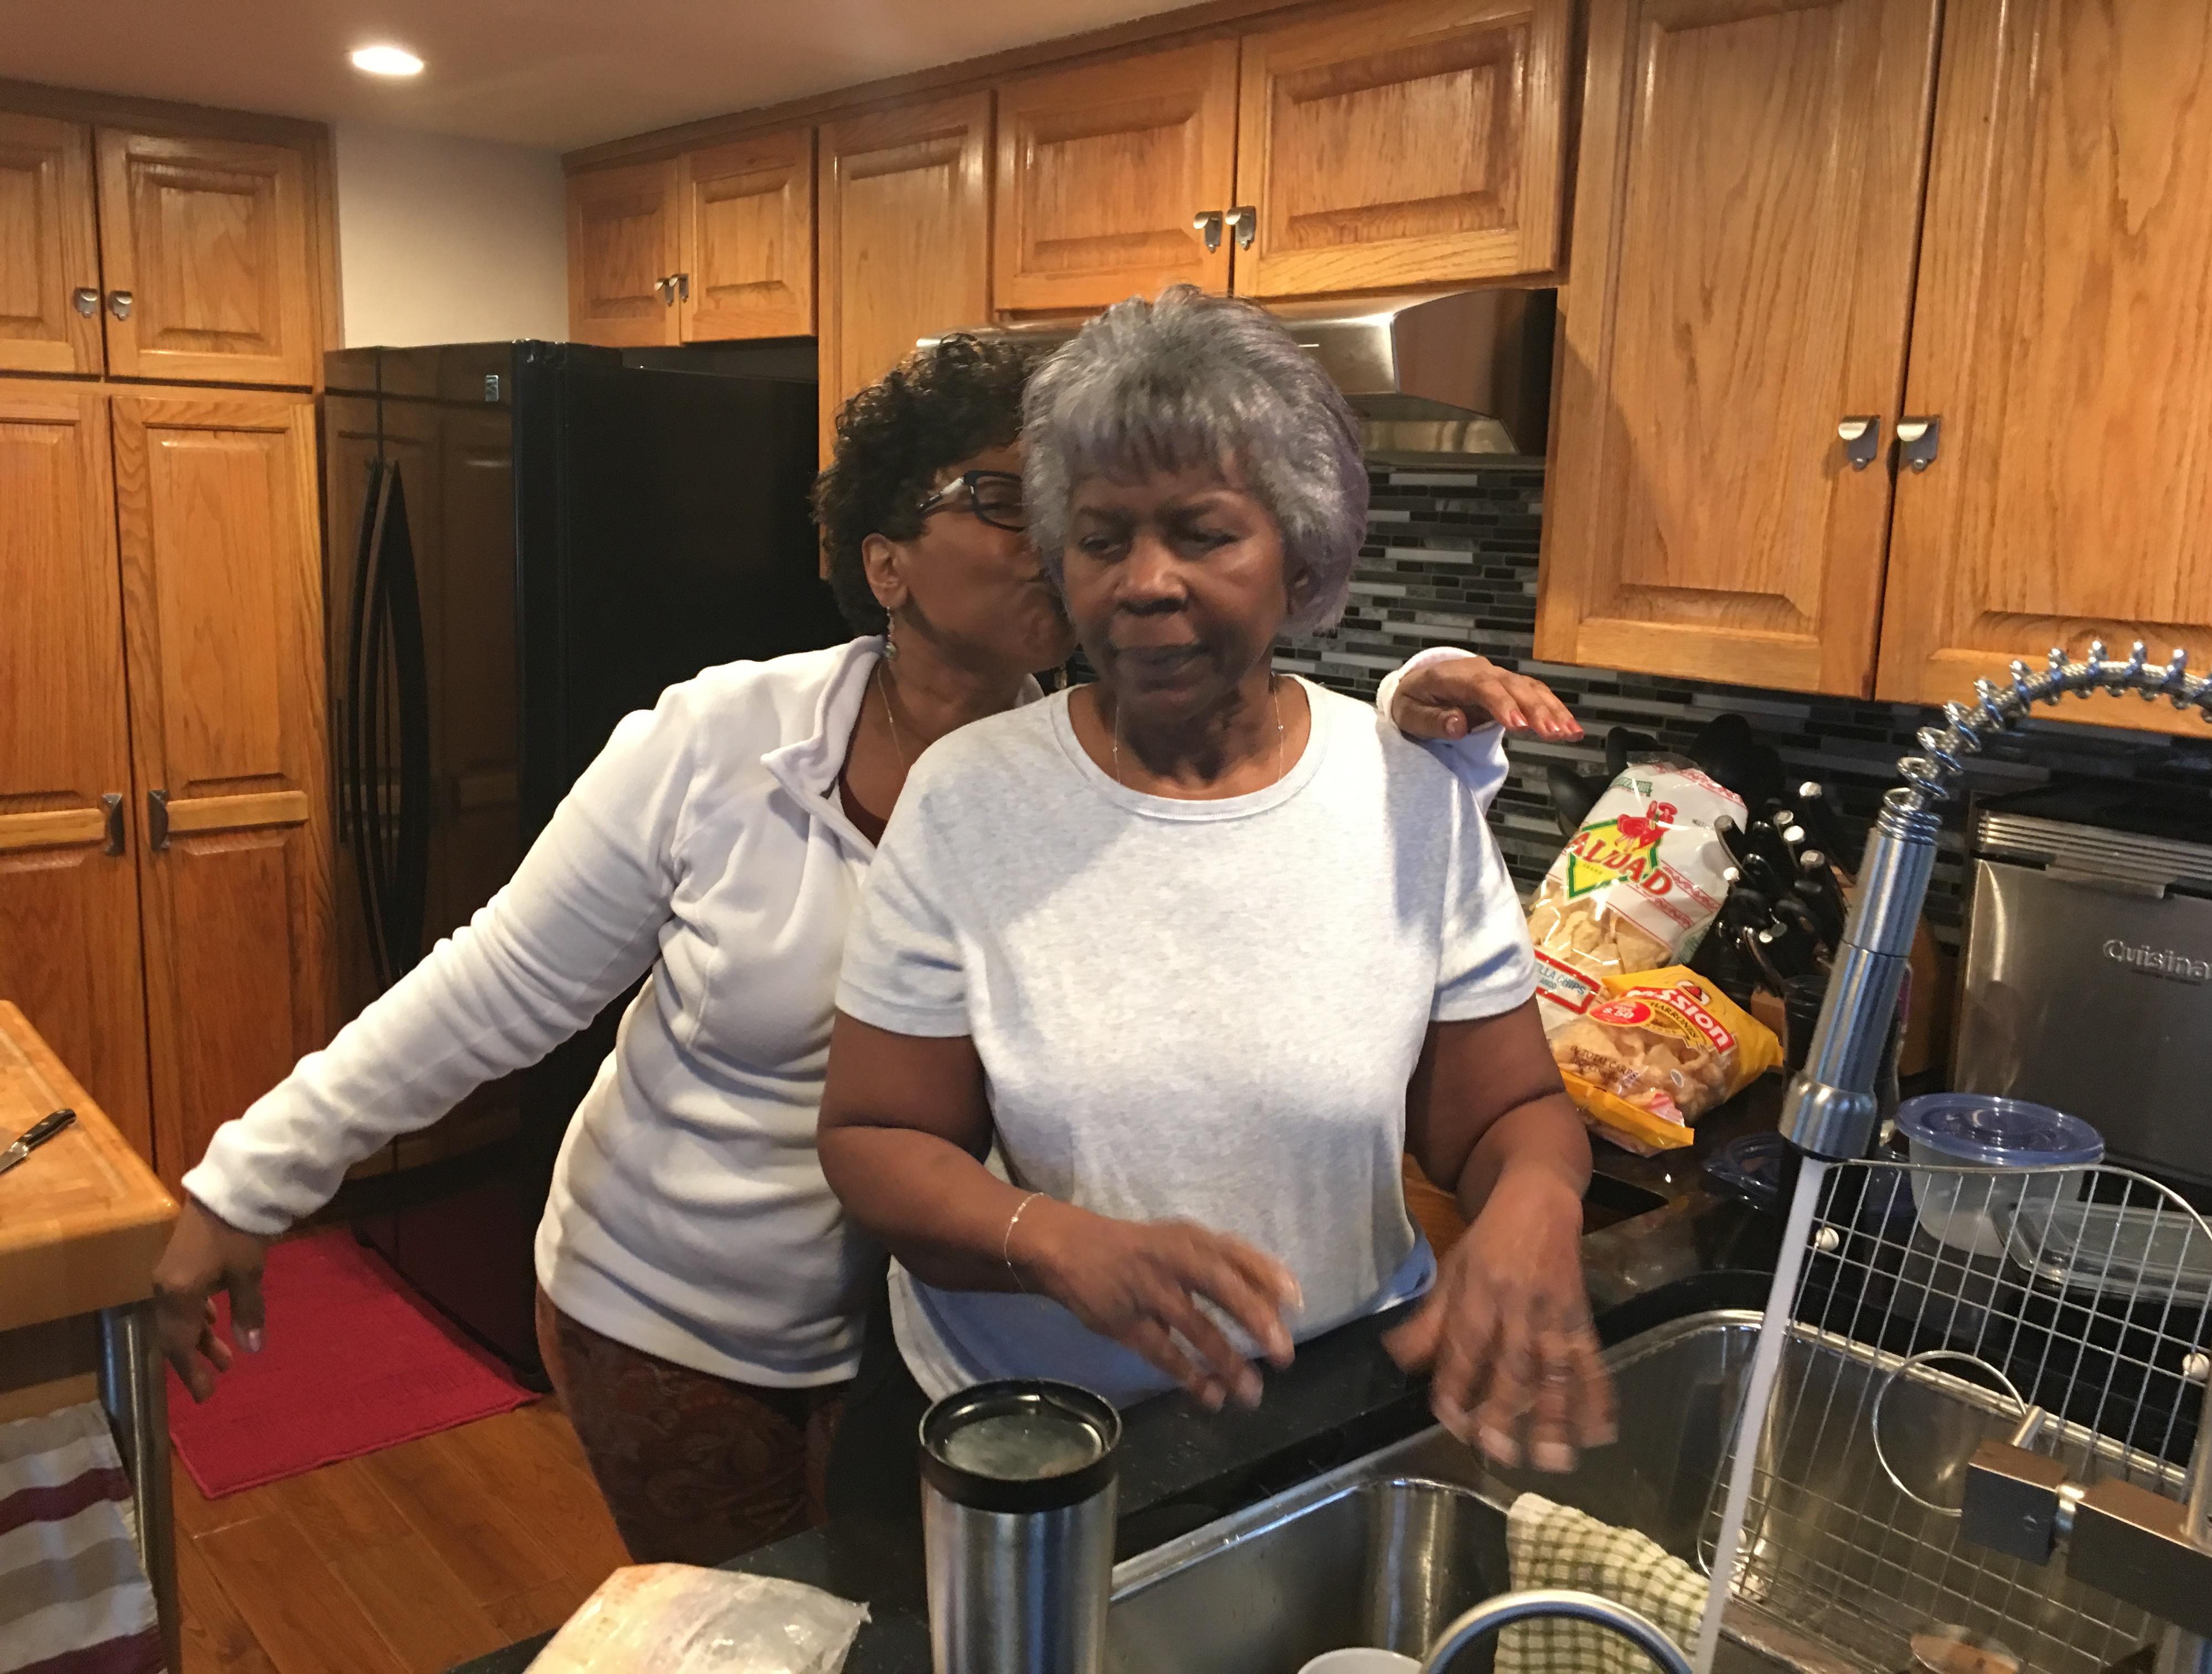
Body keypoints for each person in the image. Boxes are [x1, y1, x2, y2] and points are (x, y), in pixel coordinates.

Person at [149, 332, 1578, 1564]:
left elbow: (1257, 806)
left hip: (943, 1337)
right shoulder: (721, 748)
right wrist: (251, 1181)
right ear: (885, 562)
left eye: (1069, 507)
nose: (1077, 545)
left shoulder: (1069, 753)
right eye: (1020, 505)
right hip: (697, 1314)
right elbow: (495, 990)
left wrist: (1411, 731)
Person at [819, 288, 1614, 1518]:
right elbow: (876, 1141)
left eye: (1200, 534)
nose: (1145, 583)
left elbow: (1507, 1112)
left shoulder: (1406, 796)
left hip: (1335, 1416)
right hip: (1043, 1449)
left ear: (1299, 556)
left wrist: (1537, 1202)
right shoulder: (971, 799)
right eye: (1101, 538)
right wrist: (1062, 1244)